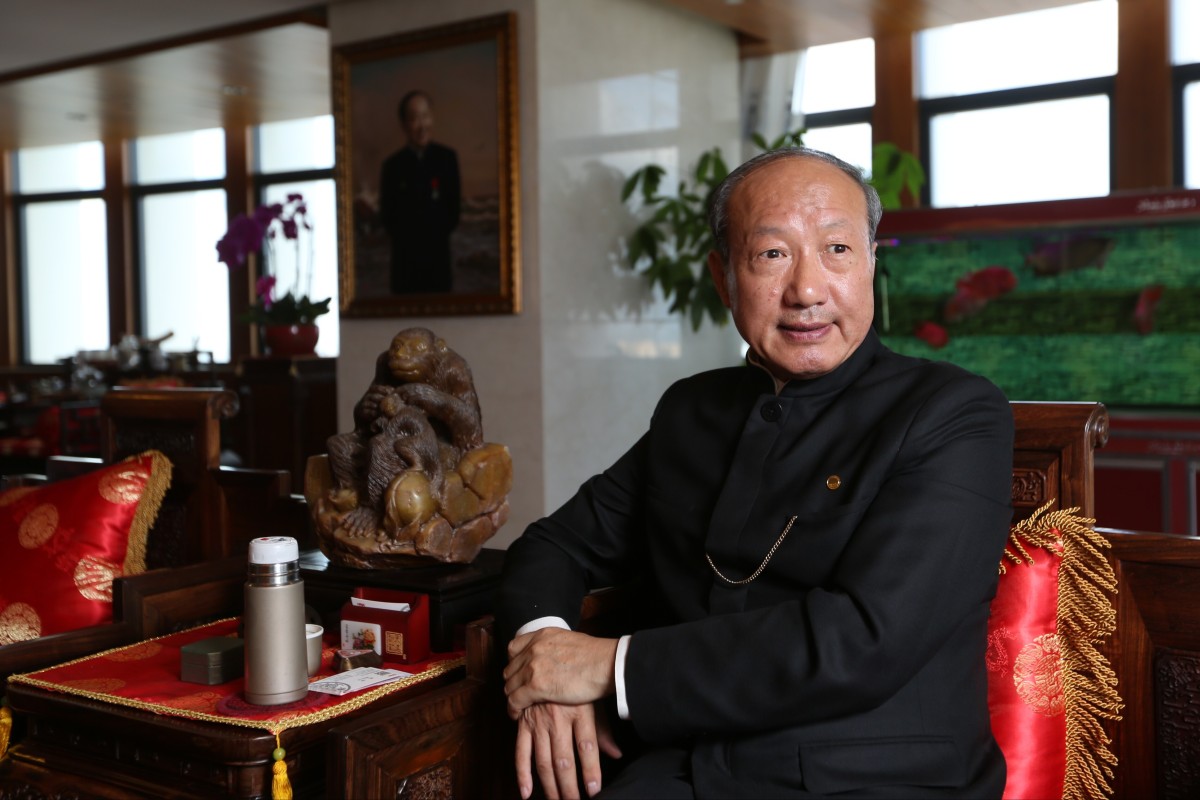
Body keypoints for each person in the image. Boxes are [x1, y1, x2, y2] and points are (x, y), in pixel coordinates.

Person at [497, 147, 1014, 799]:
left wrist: (606, 668)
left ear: (871, 262)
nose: (807, 291)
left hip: (871, 779)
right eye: (772, 254)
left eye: (837, 250)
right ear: (724, 278)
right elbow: (556, 544)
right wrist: (545, 655)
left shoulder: (953, 412)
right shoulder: (692, 409)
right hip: (676, 769)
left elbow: (864, 641)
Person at [378, 90, 461, 294]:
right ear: (404, 124)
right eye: (415, 118)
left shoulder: (447, 158)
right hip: (405, 266)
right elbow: (388, 217)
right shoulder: (392, 166)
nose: (422, 125)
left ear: (432, 118)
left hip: (438, 263)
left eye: (425, 116)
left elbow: (453, 212)